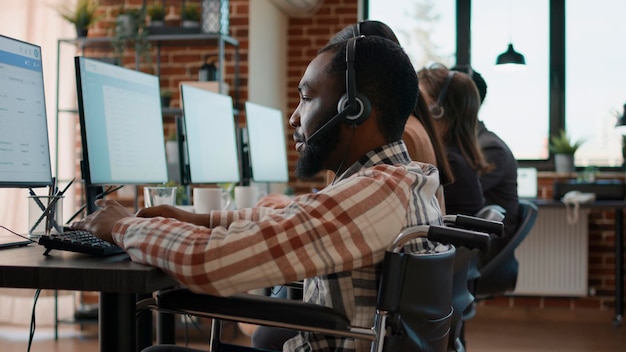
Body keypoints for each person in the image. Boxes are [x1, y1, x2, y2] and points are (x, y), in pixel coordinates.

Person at [71, 36, 444, 352]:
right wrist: (199, 218)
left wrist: (120, 227)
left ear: (352, 109)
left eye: (307, 98)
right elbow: (299, 215)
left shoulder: (372, 195)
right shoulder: (404, 180)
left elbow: (208, 263)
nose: (294, 117)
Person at [450, 65, 519, 243]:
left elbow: (461, 196)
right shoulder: (467, 144)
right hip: (473, 232)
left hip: (487, 244)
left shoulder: (489, 147)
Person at [417, 64, 490, 216]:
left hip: (446, 239)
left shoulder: (450, 163)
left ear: (437, 111)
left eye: (420, 103)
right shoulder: (460, 158)